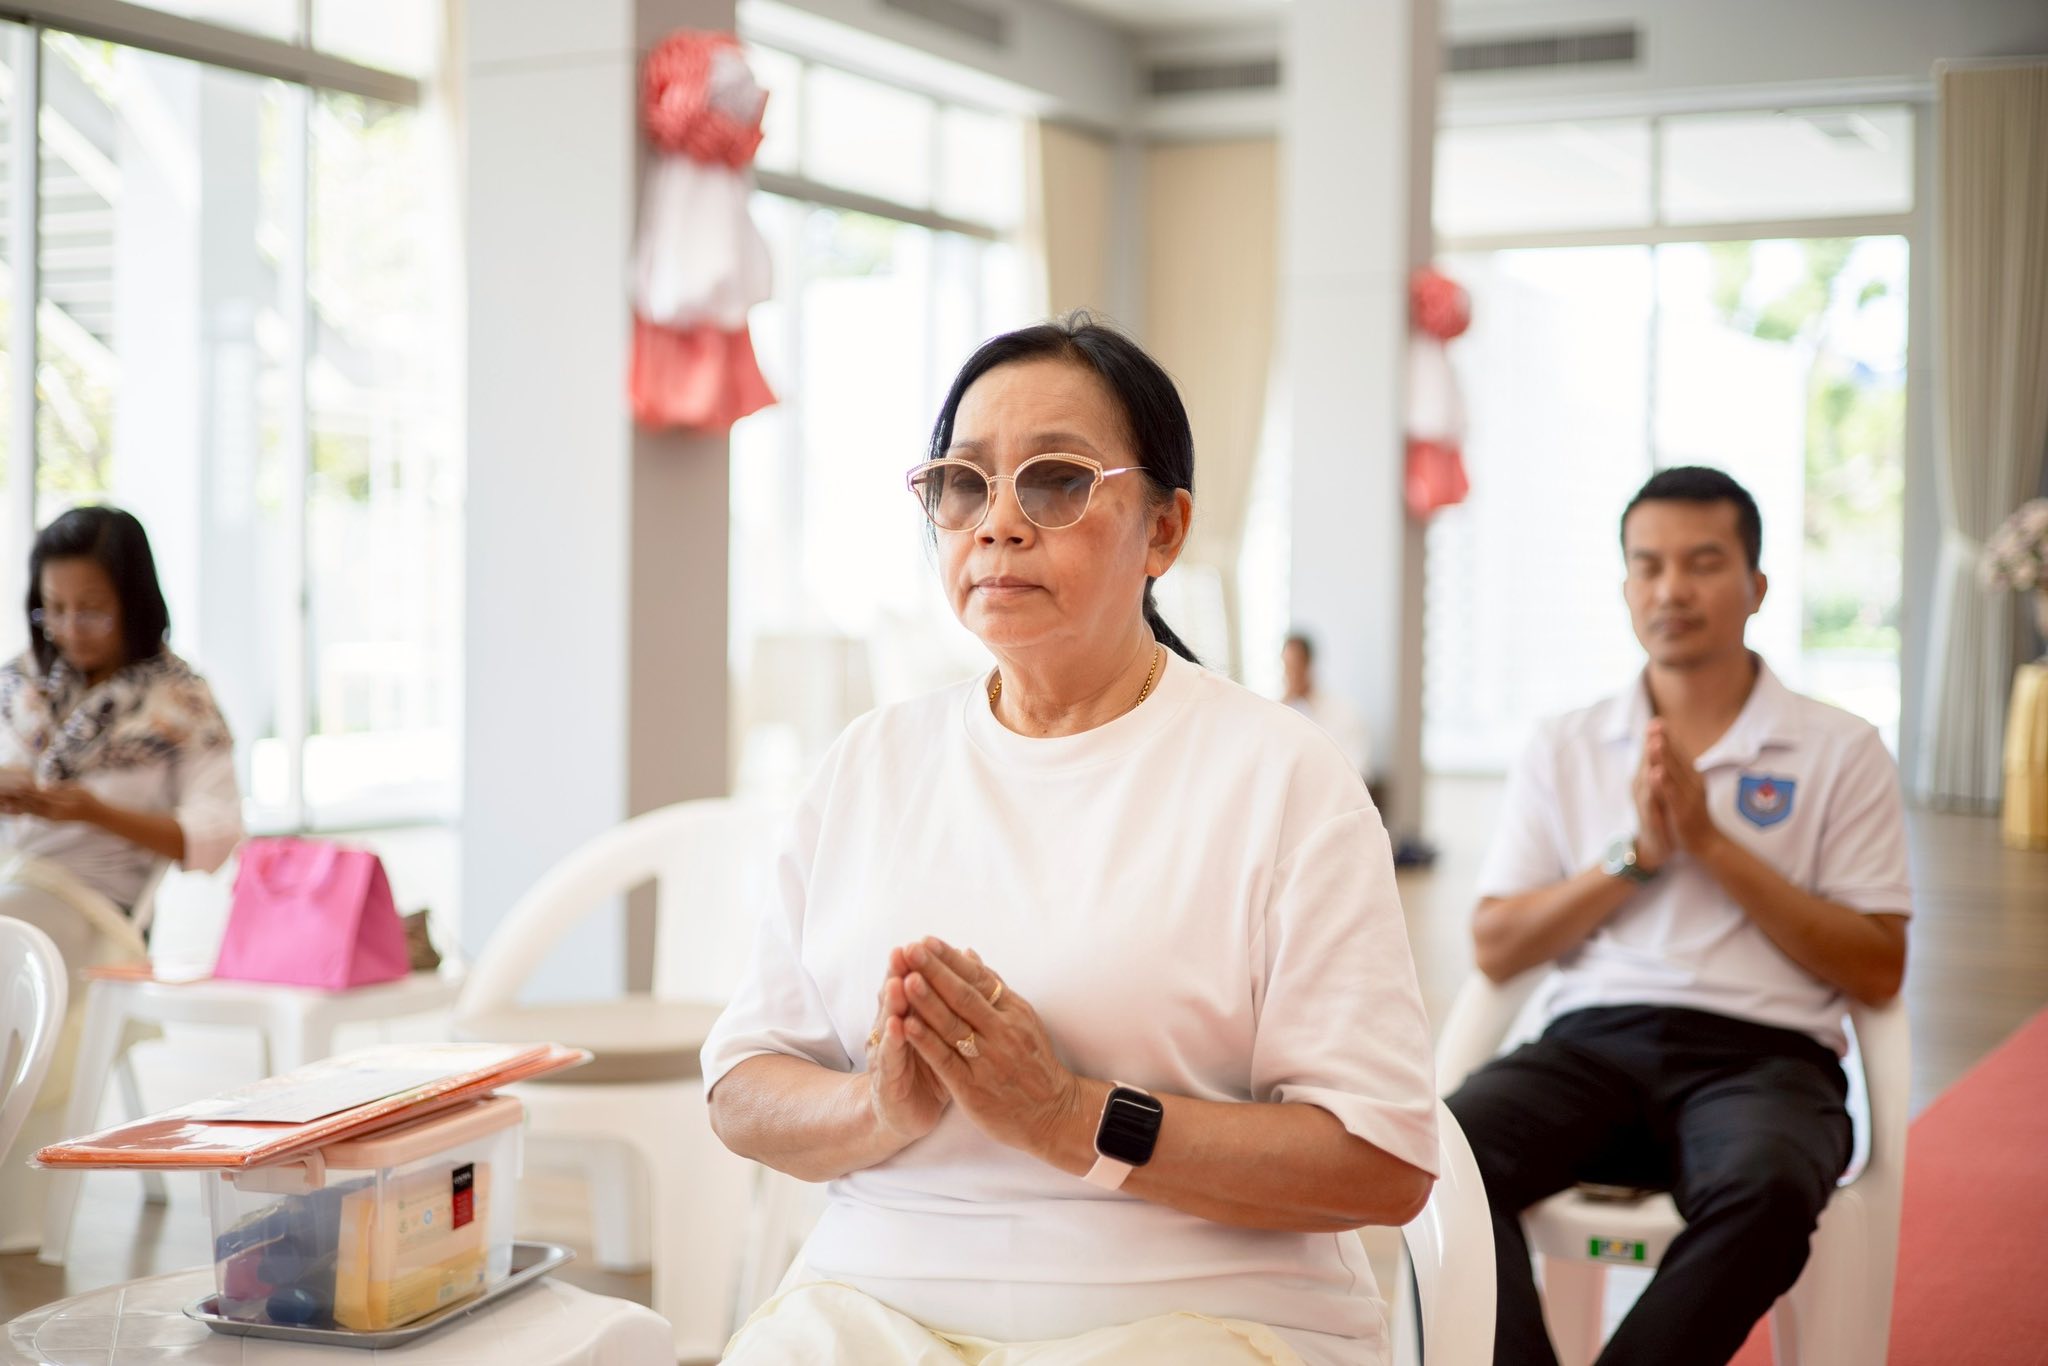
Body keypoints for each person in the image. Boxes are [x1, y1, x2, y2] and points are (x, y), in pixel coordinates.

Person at [702, 316, 1438, 1365]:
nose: (997, 521)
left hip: (1206, 1319)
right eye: (964, 483)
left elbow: (1376, 1164)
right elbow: (741, 1090)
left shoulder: (1280, 776)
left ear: (1163, 530)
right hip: (872, 1311)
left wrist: (1072, 1118)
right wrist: (878, 1105)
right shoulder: (868, 764)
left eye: (1054, 482)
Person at [1446, 466, 1910, 1366]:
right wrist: (1639, 858)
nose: (1671, 589)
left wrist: (1711, 841)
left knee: (1772, 1187)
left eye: (1702, 564)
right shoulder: (1566, 743)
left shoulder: (1841, 749)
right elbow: (1496, 946)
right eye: (1647, 566)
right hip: (1593, 1047)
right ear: (1625, 586)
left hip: (1765, 1059)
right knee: (1446, 1155)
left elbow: (1878, 965)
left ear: (1757, 586)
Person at [0, 506, 244, 975]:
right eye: (54, 609)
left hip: (91, 912)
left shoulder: (180, 704)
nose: (70, 629)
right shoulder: (19, 683)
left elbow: (219, 832)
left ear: (132, 603)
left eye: (91, 611)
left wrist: (94, 812)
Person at [1281, 632, 1371, 780]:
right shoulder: (1281, 714)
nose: (1290, 676)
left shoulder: (1344, 713)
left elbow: (1360, 771)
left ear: (1309, 665)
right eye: (1287, 668)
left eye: (1295, 667)